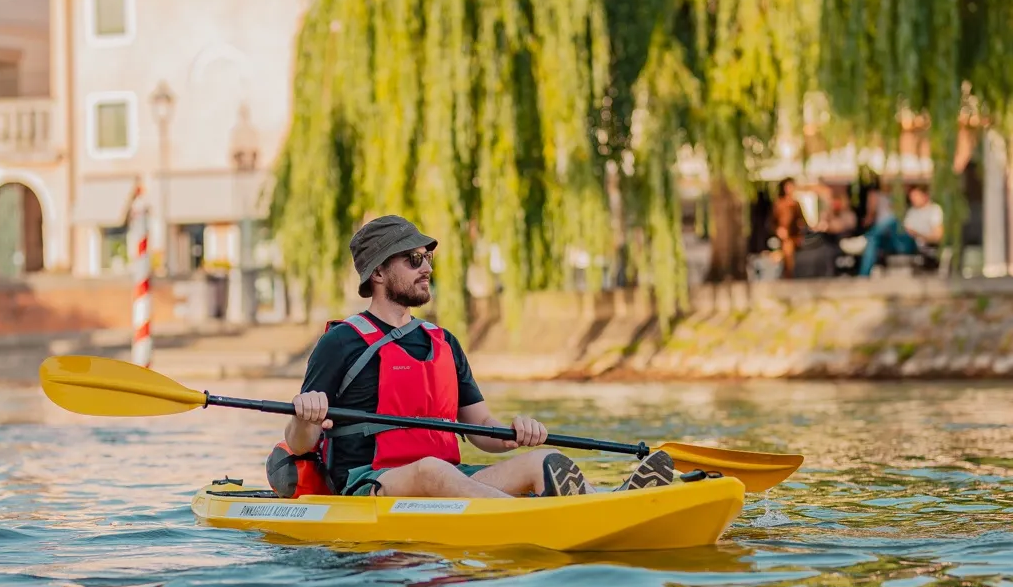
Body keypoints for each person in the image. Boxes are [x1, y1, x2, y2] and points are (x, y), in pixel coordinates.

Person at [267, 215, 673, 501]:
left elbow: (481, 429)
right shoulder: (340, 342)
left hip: (450, 479)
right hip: (370, 483)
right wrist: (305, 418)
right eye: (413, 259)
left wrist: (514, 434)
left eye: (428, 257)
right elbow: (299, 443)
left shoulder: (444, 342)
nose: (426, 267)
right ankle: (534, 517)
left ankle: (605, 503)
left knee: (545, 459)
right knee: (431, 469)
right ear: (377, 273)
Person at [859, 183, 944, 277]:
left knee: (894, 218)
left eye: (916, 196)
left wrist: (917, 234)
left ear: (925, 196)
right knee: (873, 241)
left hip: (915, 243)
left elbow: (938, 236)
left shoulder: (934, 210)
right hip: (900, 241)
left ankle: (865, 237)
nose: (913, 200)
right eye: (912, 197)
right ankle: (863, 275)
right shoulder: (912, 211)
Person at [771, 178, 807, 278]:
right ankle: (789, 275)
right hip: (785, 236)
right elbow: (772, 222)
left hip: (795, 235)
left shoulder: (795, 204)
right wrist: (778, 230)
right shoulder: (779, 204)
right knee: (787, 252)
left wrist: (801, 229)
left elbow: (802, 220)